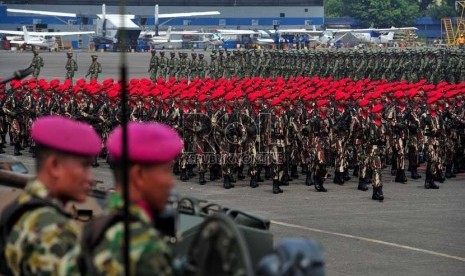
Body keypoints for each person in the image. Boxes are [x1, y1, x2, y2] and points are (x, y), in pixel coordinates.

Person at [76, 122, 183, 275]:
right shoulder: (146, 246)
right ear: (138, 175)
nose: (170, 182)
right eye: (165, 171)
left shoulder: (94, 227)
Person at [0, 116, 101, 275]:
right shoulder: (53, 230)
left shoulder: (19, 206)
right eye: (84, 166)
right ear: (54, 166)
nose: (90, 178)